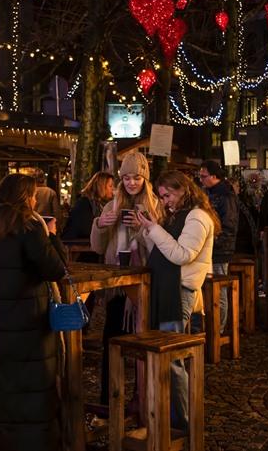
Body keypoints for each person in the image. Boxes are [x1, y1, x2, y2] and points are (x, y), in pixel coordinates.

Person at [0, 174, 66, 451]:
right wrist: (51, 236)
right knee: (31, 388)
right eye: (33, 196)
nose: (35, 201)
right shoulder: (29, 226)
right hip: (28, 326)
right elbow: (56, 269)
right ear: (25, 198)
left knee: (1, 385)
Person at [138, 169, 219, 430]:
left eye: (168, 195)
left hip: (179, 291)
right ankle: (173, 416)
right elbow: (163, 250)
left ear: (183, 189)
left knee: (173, 359)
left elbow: (182, 255)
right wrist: (150, 228)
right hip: (168, 289)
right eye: (162, 197)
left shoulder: (197, 216)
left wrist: (154, 229)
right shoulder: (179, 216)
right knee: (169, 357)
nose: (165, 201)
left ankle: (183, 422)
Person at [90, 152, 160, 406]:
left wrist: (143, 229)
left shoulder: (155, 205)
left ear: (145, 179)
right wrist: (100, 224)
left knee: (143, 344)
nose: (131, 183)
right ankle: (109, 400)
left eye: (137, 178)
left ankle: (142, 399)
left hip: (143, 285)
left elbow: (159, 248)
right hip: (118, 285)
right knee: (111, 343)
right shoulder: (112, 205)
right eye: (127, 177)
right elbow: (98, 247)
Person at [198, 160, 238, 333]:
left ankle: (218, 329)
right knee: (211, 288)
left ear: (214, 176)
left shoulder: (225, 196)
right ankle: (212, 327)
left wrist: (213, 243)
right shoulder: (209, 193)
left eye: (203, 176)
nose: (201, 180)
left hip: (220, 250)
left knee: (218, 290)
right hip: (211, 248)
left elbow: (229, 226)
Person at [62, 171, 115, 239]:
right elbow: (85, 229)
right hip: (78, 242)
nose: (113, 189)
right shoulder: (84, 204)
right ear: (101, 187)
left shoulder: (101, 204)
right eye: (110, 186)